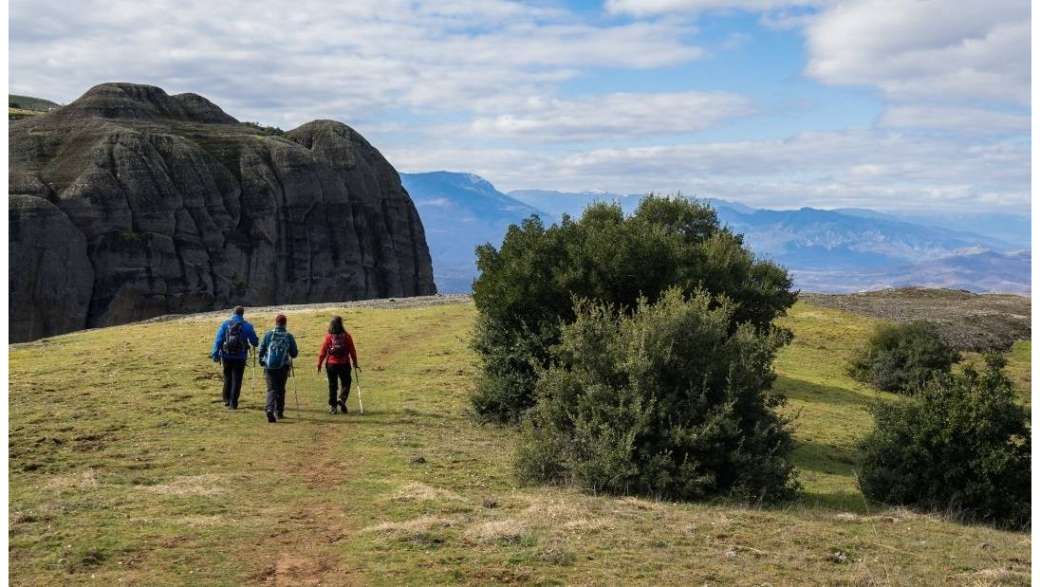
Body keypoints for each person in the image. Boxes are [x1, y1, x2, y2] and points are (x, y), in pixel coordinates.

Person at [210, 306, 259, 409]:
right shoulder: (247, 326)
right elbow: (254, 341)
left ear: (233, 313)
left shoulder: (225, 324)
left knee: (227, 377)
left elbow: (218, 340)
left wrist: (215, 354)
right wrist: (255, 341)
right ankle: (233, 403)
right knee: (237, 379)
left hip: (226, 355)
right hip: (240, 357)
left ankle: (226, 399)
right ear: (242, 314)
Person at [258, 313, 299, 423]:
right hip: (283, 367)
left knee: (271, 389)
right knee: (281, 389)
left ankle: (269, 409)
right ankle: (279, 412)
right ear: (285, 323)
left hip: (269, 367)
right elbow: (294, 353)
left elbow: (261, 349)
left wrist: (261, 360)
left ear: (276, 322)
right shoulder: (288, 336)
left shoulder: (268, 335)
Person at [316, 315, 359, 415]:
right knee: (346, 382)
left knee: (332, 385)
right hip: (344, 363)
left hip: (331, 364)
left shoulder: (328, 337)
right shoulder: (347, 336)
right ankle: (342, 399)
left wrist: (319, 364)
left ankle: (333, 407)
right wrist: (355, 362)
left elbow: (323, 351)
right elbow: (352, 350)